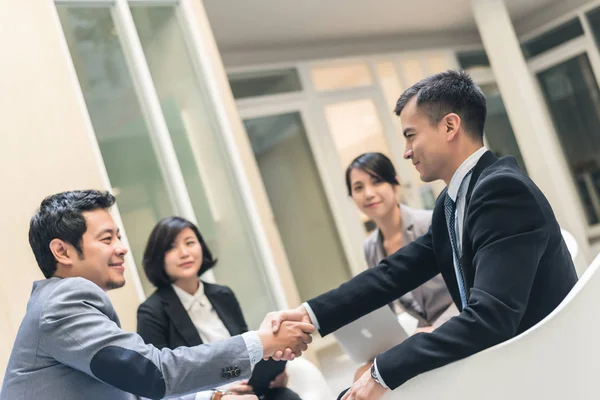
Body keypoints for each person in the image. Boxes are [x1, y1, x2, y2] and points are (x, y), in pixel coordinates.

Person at [267, 70, 578, 400]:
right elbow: (392, 274)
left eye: (411, 135)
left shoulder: (502, 191)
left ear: (449, 126)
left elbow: (491, 317)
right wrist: (308, 315)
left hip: (533, 365)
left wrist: (383, 371)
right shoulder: (453, 200)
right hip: (497, 355)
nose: (405, 151)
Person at [0, 190, 314, 400]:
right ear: (62, 251)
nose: (122, 248)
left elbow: (134, 388)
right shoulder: (63, 303)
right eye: (107, 238)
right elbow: (153, 373)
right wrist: (263, 342)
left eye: (119, 237)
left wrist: (213, 395)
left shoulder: (63, 302)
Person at [137, 216, 301, 400]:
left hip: (247, 390)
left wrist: (270, 377)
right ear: (158, 258)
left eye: (190, 243)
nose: (184, 253)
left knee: (286, 396)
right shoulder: (151, 312)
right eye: (171, 247)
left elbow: (249, 349)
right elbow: (159, 380)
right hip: (206, 397)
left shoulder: (223, 295)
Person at [346, 152, 457, 330]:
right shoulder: (370, 248)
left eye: (376, 182)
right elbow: (385, 305)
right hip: (424, 335)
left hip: (459, 322)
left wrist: (436, 329)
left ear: (394, 184)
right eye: (358, 188)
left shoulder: (430, 223)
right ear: (352, 197)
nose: (368, 194)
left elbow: (468, 286)